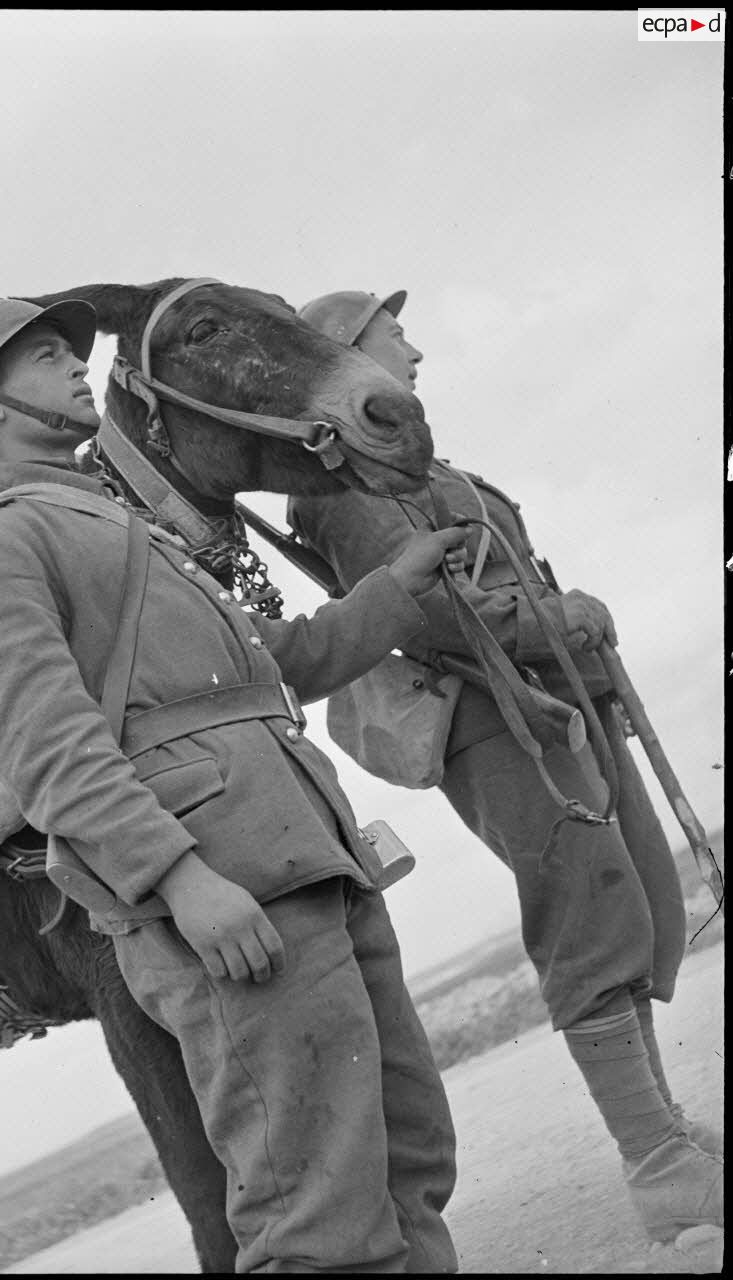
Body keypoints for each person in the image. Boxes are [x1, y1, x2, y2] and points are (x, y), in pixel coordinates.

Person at [0, 294, 470, 1272]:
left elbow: (277, 660)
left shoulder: (124, 524)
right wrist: (180, 881)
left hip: (312, 859)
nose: (78, 366)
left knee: (410, 1156)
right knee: (315, 1214)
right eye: (48, 357)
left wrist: (396, 590)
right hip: (227, 896)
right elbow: (47, 750)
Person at [287, 289, 723, 1246]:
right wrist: (560, 619)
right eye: (392, 333)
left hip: (557, 697)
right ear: (346, 359)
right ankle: (654, 1163)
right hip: (494, 717)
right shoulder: (340, 491)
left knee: (631, 904)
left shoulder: (408, 468)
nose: (413, 348)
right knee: (584, 918)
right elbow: (437, 614)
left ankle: (662, 1134)